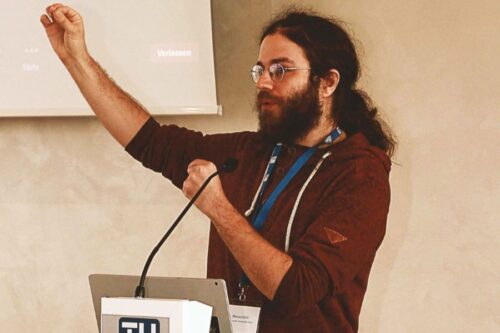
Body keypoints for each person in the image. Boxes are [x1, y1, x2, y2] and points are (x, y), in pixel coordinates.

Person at [41, 3, 396, 332]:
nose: (263, 82)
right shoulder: (249, 151)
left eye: (280, 70)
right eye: (260, 69)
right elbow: (150, 142)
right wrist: (76, 58)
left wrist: (219, 209)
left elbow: (295, 289)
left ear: (328, 82)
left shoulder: (359, 175)